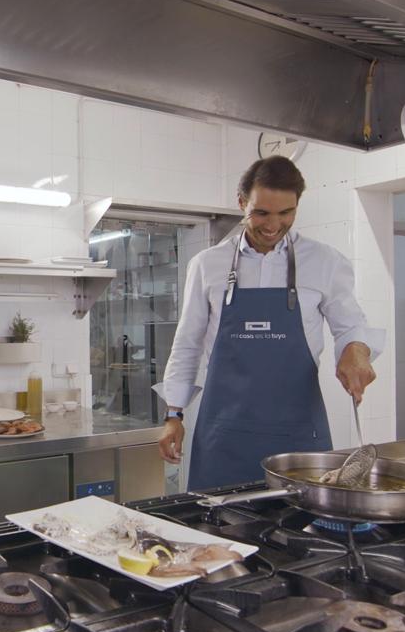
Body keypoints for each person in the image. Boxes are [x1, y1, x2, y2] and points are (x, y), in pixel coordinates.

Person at [156, 156, 384, 491]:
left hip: (298, 434)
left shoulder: (325, 262)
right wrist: (173, 415)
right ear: (241, 202)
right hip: (224, 435)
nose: (273, 225)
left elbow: (351, 326)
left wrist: (356, 351)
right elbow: (187, 342)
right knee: (218, 531)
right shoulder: (207, 265)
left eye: (285, 213)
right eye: (261, 212)